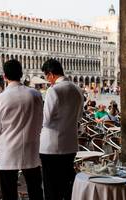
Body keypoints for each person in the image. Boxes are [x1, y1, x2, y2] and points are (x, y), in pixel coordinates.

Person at [0, 59, 44, 200]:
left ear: (4, 76)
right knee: (35, 188)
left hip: (8, 149)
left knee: (9, 191)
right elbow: (40, 121)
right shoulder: (35, 94)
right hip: (31, 146)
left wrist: (3, 143)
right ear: (21, 74)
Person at [40, 59, 84, 200]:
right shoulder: (77, 89)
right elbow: (79, 117)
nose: (48, 80)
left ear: (51, 74)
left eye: (47, 77)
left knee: (51, 186)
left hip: (51, 147)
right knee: (66, 185)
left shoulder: (54, 90)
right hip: (70, 145)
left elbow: (45, 120)